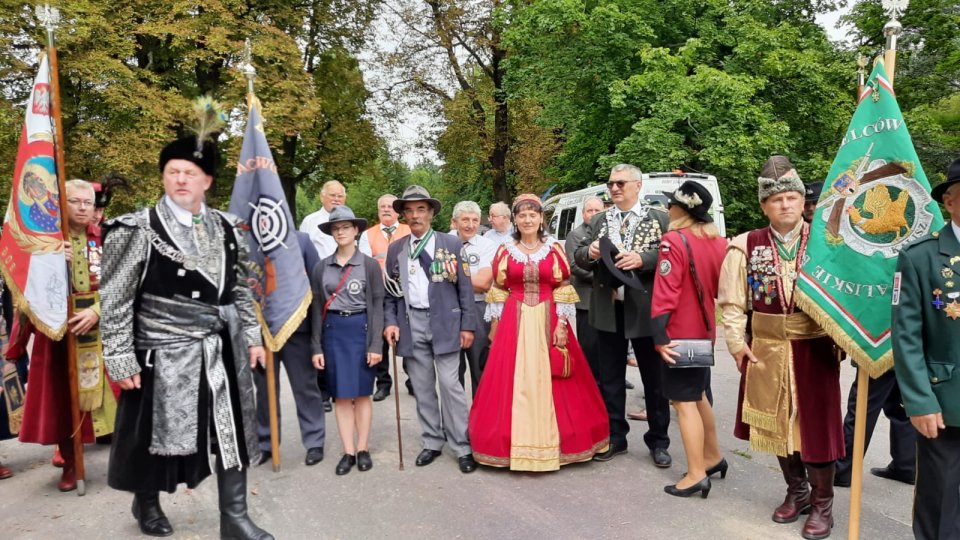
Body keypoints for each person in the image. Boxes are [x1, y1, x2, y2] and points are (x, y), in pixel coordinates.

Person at [100, 131, 272, 539]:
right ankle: (146, 502)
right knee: (148, 439)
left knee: (230, 431)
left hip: (220, 345)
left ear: (206, 181)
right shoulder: (136, 229)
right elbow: (116, 300)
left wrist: (251, 336)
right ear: (163, 177)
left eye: (190, 173)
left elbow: (240, 289)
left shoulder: (230, 228)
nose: (180, 179)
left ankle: (235, 519)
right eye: (172, 171)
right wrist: (120, 356)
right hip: (159, 351)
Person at [718, 156, 842, 540]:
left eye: (791, 197)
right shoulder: (744, 246)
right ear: (764, 206)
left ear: (802, 199)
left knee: (816, 430)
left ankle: (823, 504)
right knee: (775, 426)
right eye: (776, 200)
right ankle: (797, 491)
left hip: (815, 348)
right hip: (767, 349)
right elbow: (733, 303)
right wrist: (737, 344)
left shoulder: (829, 242)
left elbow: (848, 295)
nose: (785, 205)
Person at [468, 194, 609, 471]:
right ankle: (511, 443)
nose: (528, 219)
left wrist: (561, 325)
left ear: (541, 218)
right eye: (522, 215)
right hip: (513, 319)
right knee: (509, 378)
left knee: (557, 375)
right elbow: (498, 289)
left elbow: (563, 287)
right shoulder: (506, 250)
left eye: (533, 215)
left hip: (549, 317)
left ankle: (559, 442)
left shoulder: (553, 249)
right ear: (516, 221)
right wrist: (495, 326)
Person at [5, 178, 116, 492]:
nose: (83, 208)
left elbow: (123, 284)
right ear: (61, 205)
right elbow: (24, 287)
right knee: (62, 402)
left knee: (118, 398)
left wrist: (97, 309)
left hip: (101, 331)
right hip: (58, 333)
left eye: (88, 203)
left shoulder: (108, 237)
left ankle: (124, 459)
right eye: (75, 202)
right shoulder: (44, 242)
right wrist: (50, 260)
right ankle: (71, 461)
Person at [574, 163, 672, 467]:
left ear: (637, 185)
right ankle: (616, 436)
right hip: (609, 307)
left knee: (654, 380)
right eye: (611, 184)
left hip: (645, 309)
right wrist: (588, 253)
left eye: (620, 183)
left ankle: (658, 440)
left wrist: (643, 259)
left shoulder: (660, 218)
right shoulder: (601, 219)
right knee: (611, 377)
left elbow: (673, 254)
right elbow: (578, 258)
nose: (614, 189)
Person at [383, 185, 478, 474]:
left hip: (446, 324)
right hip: (412, 324)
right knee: (423, 388)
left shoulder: (451, 244)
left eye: (420, 209)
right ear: (403, 216)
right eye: (409, 211)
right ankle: (433, 441)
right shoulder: (395, 249)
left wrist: (468, 325)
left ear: (431, 213)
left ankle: (462, 445)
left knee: (451, 386)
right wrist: (390, 321)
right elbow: (391, 293)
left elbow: (465, 288)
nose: (415, 216)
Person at [891, 157, 960, 540]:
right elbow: (906, 335)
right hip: (946, 402)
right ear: (949, 201)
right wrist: (919, 401)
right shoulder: (920, 257)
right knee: (941, 506)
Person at [650, 181, 728, 498]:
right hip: (704, 332)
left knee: (683, 404)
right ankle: (712, 457)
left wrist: (658, 334)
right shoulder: (717, 243)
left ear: (680, 209)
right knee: (698, 396)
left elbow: (666, 292)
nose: (668, 209)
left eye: (671, 204)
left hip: (678, 333)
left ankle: (696, 473)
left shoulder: (673, 241)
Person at [311, 206, 385, 475]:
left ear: (356, 230)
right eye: (335, 228)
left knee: (362, 393)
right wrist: (316, 346)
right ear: (331, 232)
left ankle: (363, 448)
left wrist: (376, 344)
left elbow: (378, 305)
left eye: (346, 227)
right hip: (333, 332)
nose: (340, 231)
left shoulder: (369, 265)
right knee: (341, 395)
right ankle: (348, 452)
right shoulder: (321, 267)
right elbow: (317, 307)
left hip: (361, 330)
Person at [254, 230, 327, 467]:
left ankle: (314, 440)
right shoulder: (249, 240)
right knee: (264, 390)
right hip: (262, 329)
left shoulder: (301, 240)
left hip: (297, 327)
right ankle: (266, 442)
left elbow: (316, 283)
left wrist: (317, 330)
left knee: (305, 387)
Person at [359, 194, 411, 401]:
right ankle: (383, 383)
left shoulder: (408, 230)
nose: (386, 209)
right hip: (378, 292)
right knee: (379, 338)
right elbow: (365, 263)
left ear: (397, 210)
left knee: (408, 336)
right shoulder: (367, 235)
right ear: (378, 210)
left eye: (390, 206)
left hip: (405, 293)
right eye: (382, 206)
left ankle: (412, 380)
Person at [833, 368, 916, 487]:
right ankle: (905, 466)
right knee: (899, 404)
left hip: (879, 353)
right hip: (906, 355)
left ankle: (842, 469)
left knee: (862, 405)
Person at [452, 201, 497, 396]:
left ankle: (481, 423)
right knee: (453, 372)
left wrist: (452, 276)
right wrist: (469, 277)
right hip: (451, 311)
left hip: (479, 309)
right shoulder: (441, 243)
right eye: (465, 220)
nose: (470, 225)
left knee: (481, 367)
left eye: (475, 220)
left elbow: (484, 283)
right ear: (454, 222)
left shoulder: (487, 245)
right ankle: (456, 423)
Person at [565, 196, 604, 382]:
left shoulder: (608, 232)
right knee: (589, 347)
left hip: (607, 300)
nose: (594, 214)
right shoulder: (575, 235)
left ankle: (606, 378)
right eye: (590, 210)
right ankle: (589, 382)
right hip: (586, 301)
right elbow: (574, 266)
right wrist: (603, 279)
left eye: (598, 210)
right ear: (583, 214)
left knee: (606, 347)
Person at [299, 180, 347, 259]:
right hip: (320, 269)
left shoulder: (351, 222)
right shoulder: (310, 222)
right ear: (322, 197)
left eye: (340, 196)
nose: (336, 199)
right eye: (332, 195)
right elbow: (301, 250)